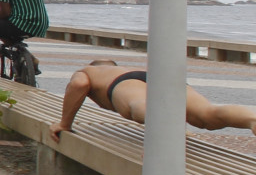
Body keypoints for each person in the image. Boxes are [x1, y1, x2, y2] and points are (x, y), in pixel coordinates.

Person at [50, 59, 256, 141]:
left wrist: (64, 124)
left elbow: (78, 85)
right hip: (160, 77)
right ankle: (251, 118)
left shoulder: (89, 71)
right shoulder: (120, 67)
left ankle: (166, 135)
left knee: (140, 106)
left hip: (126, 83)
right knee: (207, 115)